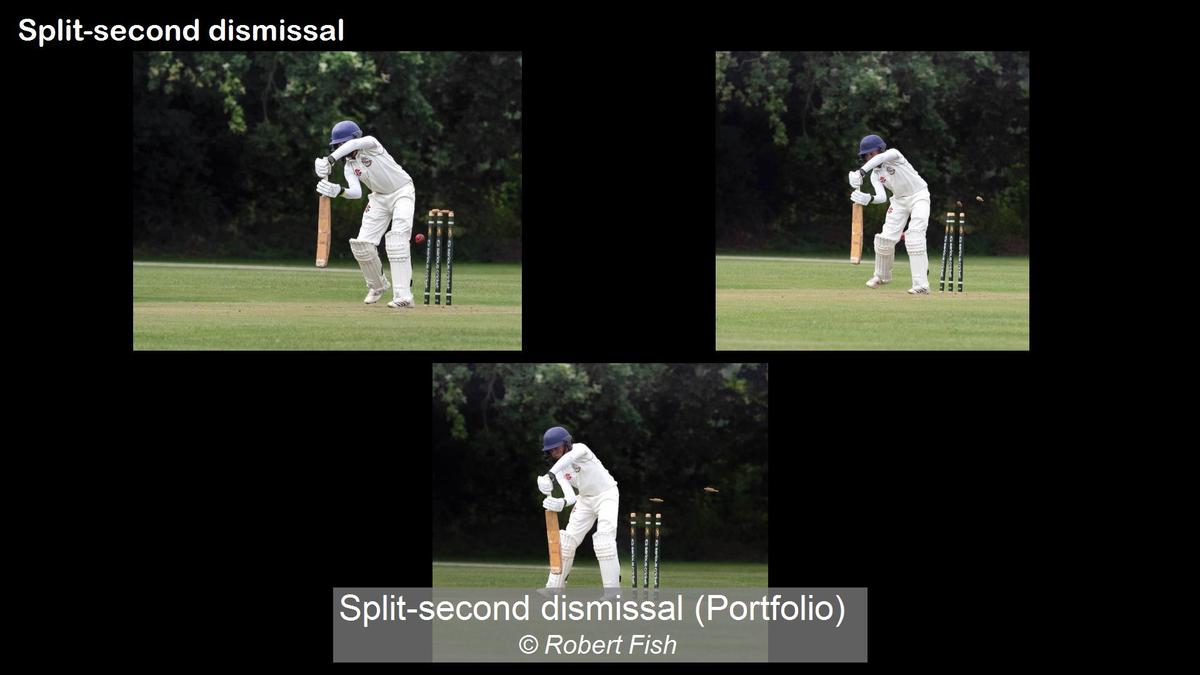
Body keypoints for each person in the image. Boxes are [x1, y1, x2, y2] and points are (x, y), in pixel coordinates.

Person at [314, 120, 417, 309]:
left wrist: (329, 160)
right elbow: (356, 193)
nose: (340, 147)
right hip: (378, 198)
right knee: (361, 245)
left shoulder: (371, 144)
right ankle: (378, 286)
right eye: (337, 145)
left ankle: (404, 296)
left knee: (397, 239)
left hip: (402, 191)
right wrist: (338, 190)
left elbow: (354, 144)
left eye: (342, 143)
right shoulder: (349, 166)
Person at [536, 426, 623, 589]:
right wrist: (561, 502)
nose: (554, 452)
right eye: (551, 450)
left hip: (607, 494)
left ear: (566, 444)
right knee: (566, 541)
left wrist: (549, 475)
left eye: (557, 447)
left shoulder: (581, 449)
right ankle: (554, 588)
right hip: (584, 499)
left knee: (604, 540)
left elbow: (569, 458)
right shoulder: (560, 470)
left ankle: (612, 593)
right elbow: (570, 497)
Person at [847, 134, 933, 294]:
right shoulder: (875, 174)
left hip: (919, 195)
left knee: (915, 236)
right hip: (898, 201)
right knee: (884, 239)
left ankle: (921, 285)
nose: (870, 157)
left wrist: (861, 172)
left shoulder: (894, 155)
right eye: (866, 155)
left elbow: (881, 158)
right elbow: (882, 197)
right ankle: (881, 276)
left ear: (880, 149)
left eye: (872, 153)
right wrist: (869, 198)